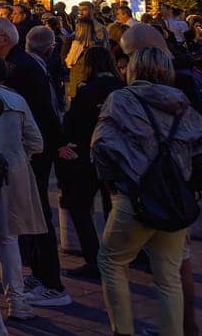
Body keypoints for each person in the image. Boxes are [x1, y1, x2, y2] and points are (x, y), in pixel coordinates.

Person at [93, 43, 202, 336]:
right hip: (176, 197)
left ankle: (123, 330)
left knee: (111, 262)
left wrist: (114, 183)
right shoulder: (182, 104)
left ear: (133, 68)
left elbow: (101, 145)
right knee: (169, 276)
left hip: (135, 193)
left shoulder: (120, 99)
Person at [0, 17, 69, 308]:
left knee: (35, 215)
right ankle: (38, 274)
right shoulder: (18, 64)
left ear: (4, 39)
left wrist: (51, 145)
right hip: (30, 151)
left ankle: (51, 282)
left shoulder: (20, 68)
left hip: (33, 153)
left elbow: (42, 110)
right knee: (26, 216)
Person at [58, 43, 119, 279]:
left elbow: (73, 122)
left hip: (89, 153)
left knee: (80, 206)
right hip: (115, 154)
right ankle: (119, 253)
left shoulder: (87, 89)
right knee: (113, 205)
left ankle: (93, 258)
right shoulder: (120, 86)